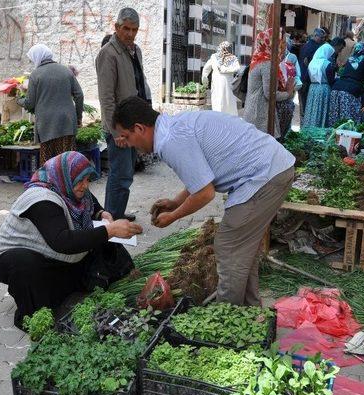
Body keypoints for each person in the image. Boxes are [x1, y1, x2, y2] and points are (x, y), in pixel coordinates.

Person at [112, 96, 295, 306]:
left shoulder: (170, 141)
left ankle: (227, 316)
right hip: (272, 168)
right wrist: (175, 201)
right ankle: (251, 312)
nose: (126, 143)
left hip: (263, 177)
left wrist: (173, 216)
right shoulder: (172, 126)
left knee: (228, 248)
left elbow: (205, 193)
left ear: (139, 128)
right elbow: (200, 177)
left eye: (126, 136)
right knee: (242, 252)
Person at [0, 151, 142, 328]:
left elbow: (92, 203)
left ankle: (63, 290)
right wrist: (109, 230)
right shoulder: (41, 199)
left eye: (87, 180)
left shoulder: (71, 188)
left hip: (48, 251)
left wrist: (101, 213)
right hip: (10, 257)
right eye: (80, 180)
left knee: (98, 242)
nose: (84, 186)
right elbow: (62, 241)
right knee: (25, 264)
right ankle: (31, 316)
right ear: (64, 176)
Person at [96, 8, 150, 222]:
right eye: (126, 28)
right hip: (119, 128)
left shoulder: (135, 50)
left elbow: (139, 86)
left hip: (134, 124)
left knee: (127, 174)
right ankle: (112, 219)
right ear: (116, 27)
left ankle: (117, 213)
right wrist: (116, 130)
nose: (130, 33)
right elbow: (106, 98)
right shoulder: (108, 54)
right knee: (119, 174)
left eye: (134, 29)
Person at [18, 44, 84, 165]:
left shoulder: (36, 75)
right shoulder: (66, 71)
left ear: (38, 57)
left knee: (49, 162)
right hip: (67, 122)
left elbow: (29, 103)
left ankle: (51, 183)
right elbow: (79, 95)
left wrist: (18, 99)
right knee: (67, 160)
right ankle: (68, 182)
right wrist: (78, 117)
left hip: (46, 125)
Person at [243, 29, 296, 138]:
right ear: (273, 43)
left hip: (254, 112)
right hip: (259, 115)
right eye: (283, 42)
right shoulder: (267, 63)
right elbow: (270, 94)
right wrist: (288, 93)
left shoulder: (259, 59)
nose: (285, 46)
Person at [328, 42, 364, 126]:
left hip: (336, 89)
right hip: (350, 92)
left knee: (335, 119)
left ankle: (333, 137)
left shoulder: (350, 59)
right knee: (348, 122)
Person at [302, 38, 345, 128]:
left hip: (312, 89)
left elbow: (306, 78)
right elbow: (331, 81)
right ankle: (320, 128)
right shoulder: (327, 64)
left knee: (312, 110)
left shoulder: (312, 63)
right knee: (321, 110)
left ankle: (309, 127)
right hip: (324, 90)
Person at [201, 41, 240, 116]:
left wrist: (205, 79)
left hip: (221, 83)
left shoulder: (229, 58)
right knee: (225, 102)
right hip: (225, 84)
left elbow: (206, 69)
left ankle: (219, 118)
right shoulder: (231, 58)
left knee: (221, 101)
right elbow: (237, 69)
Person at [276, 38, 302, 138]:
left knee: (282, 121)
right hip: (284, 96)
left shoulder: (288, 58)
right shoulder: (272, 60)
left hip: (286, 95)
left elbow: (297, 75)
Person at [298, 28, 326, 118]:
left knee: (304, 102)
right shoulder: (313, 47)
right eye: (321, 38)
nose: (322, 40)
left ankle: (304, 120)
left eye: (323, 38)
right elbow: (308, 63)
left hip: (304, 76)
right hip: (307, 78)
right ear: (315, 35)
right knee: (306, 103)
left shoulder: (307, 45)